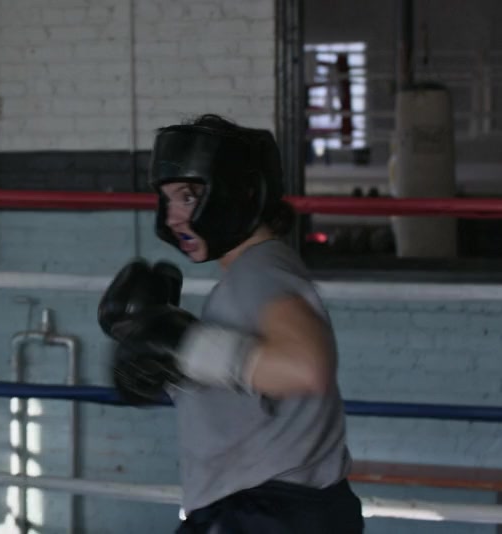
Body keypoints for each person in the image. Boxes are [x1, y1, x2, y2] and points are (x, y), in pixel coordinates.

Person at [98, 114, 364, 533]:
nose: (173, 217)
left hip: (266, 513)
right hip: (276, 509)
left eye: (188, 196)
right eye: (167, 199)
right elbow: (246, 380)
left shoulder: (260, 274)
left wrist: (183, 344)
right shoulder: (258, 270)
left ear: (240, 192)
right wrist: (170, 364)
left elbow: (305, 368)